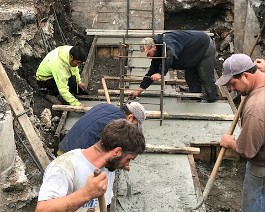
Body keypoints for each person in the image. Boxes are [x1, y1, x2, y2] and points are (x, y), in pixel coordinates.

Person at [35, 119, 146, 212]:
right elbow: (42, 210)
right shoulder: (64, 166)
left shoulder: (108, 166)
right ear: (117, 152)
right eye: (128, 159)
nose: (127, 165)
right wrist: (87, 193)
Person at [215, 53, 265, 212]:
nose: (231, 89)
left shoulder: (255, 108)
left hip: (261, 169)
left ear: (246, 75)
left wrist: (230, 142)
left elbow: (248, 151)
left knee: (255, 203)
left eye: (232, 83)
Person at [129, 30, 218, 102]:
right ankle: (196, 99)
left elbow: (170, 54)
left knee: (206, 76)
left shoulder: (167, 40)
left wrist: (161, 73)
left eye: (148, 54)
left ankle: (212, 100)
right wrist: (138, 91)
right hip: (191, 55)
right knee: (191, 78)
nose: (148, 57)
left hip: (204, 46)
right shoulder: (157, 52)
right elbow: (152, 71)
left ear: (153, 47)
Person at [58, 102, 146, 156]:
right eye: (135, 125)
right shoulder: (119, 126)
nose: (134, 128)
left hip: (63, 148)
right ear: (130, 118)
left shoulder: (104, 106)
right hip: (73, 160)